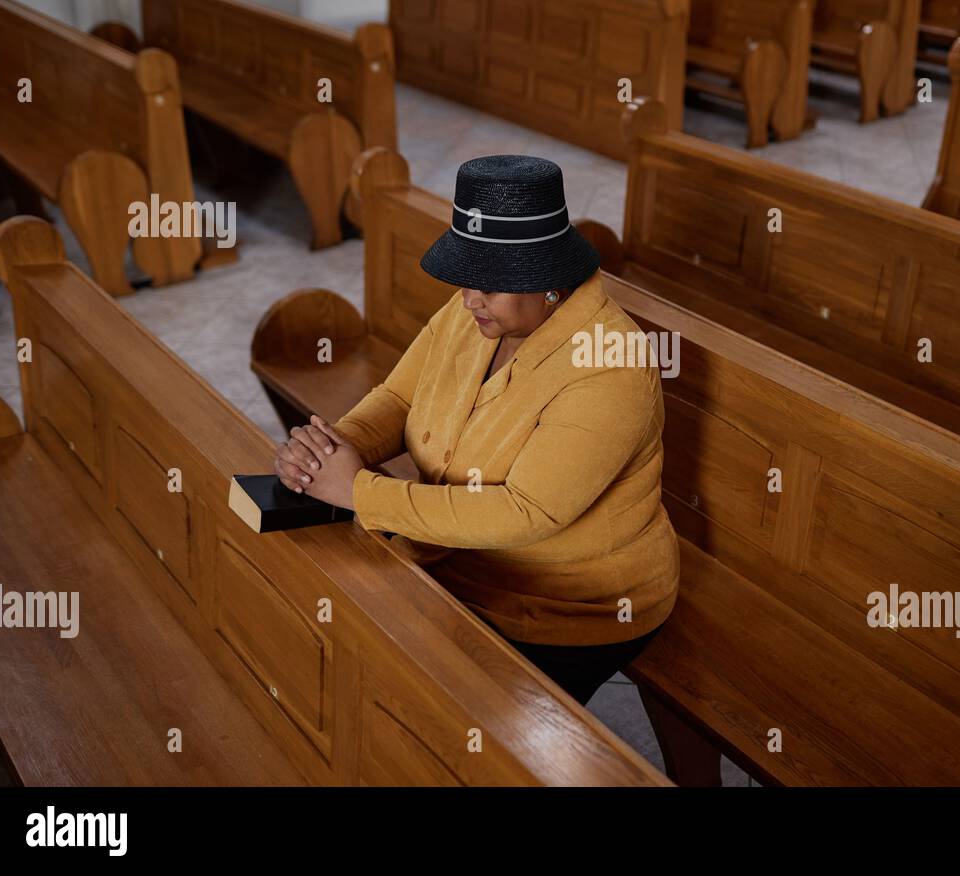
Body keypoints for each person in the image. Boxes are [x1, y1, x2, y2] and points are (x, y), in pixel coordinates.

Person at [274, 154, 679, 705]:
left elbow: (527, 512)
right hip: (453, 556)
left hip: (568, 603)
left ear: (548, 279)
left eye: (490, 283)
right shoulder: (476, 313)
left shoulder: (613, 361)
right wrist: (330, 450)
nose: (469, 298)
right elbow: (399, 396)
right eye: (467, 278)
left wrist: (359, 492)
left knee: (431, 710)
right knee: (322, 633)